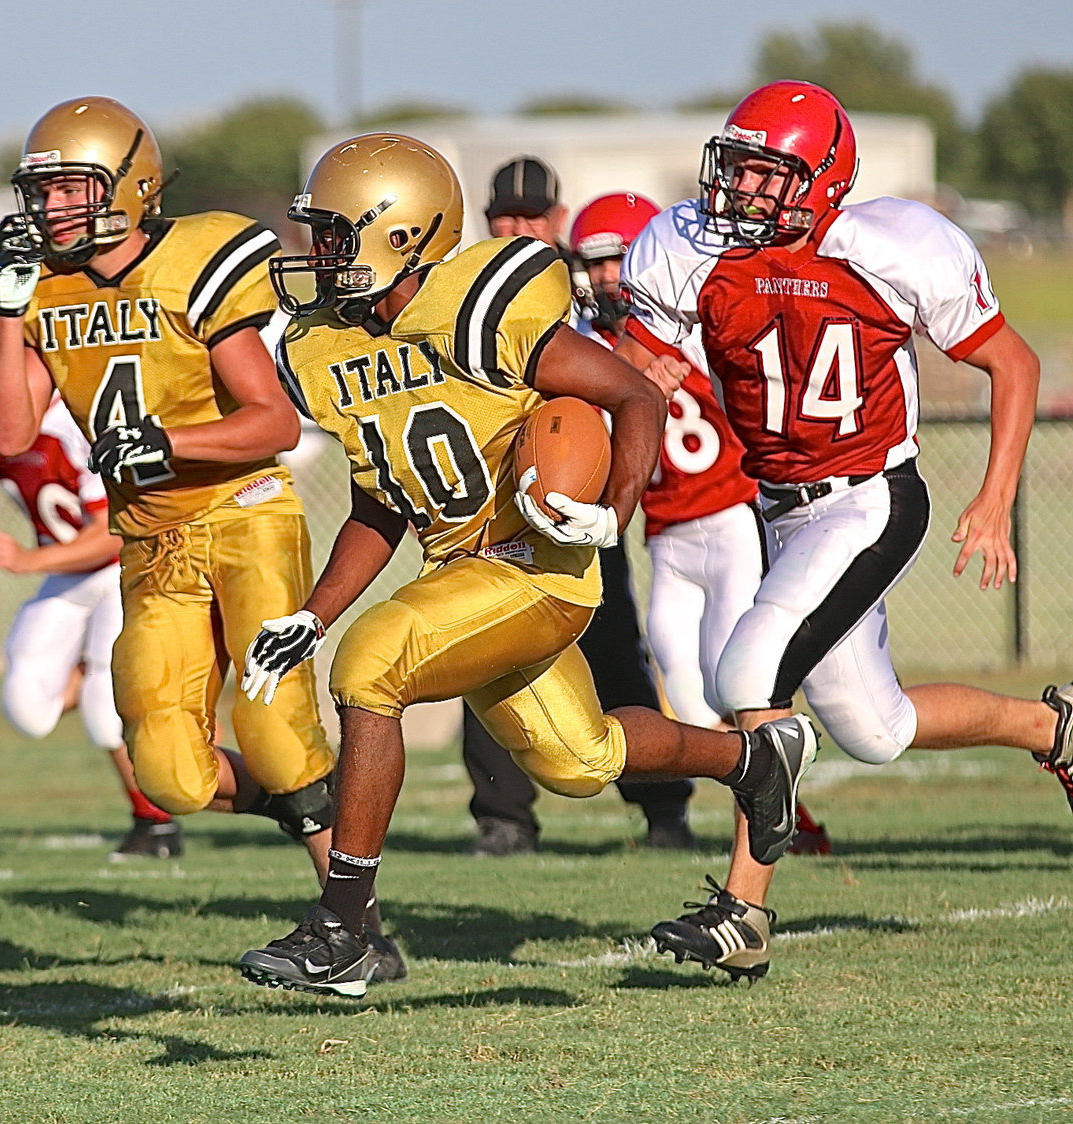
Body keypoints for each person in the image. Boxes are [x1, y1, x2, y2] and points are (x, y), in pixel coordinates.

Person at [235, 131, 818, 998]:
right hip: (460, 572)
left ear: (402, 235)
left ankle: (345, 927)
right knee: (578, 761)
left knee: (370, 666)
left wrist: (610, 514)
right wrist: (313, 611)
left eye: (334, 234)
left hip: (538, 566)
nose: (317, 255)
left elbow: (634, 392)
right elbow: (382, 498)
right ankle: (753, 761)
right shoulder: (327, 347)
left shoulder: (482, 306)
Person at [615, 79, 1073, 982]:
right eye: (735, 167)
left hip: (869, 501)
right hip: (782, 505)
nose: (740, 190)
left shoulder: (892, 245)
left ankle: (743, 911)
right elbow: (641, 362)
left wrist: (994, 496)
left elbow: (1011, 362)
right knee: (874, 727)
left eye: (764, 172)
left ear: (821, 179)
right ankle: (1052, 729)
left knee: (747, 674)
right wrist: (634, 381)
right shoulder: (691, 247)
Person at [0, 96, 404, 982]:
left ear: (127, 186)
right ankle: (317, 823)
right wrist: (12, 312)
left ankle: (353, 930)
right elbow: (14, 435)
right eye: (42, 191)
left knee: (278, 728)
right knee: (168, 770)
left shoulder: (194, 258)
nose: (50, 209)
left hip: (241, 512)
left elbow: (271, 423)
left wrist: (166, 442)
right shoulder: (41, 285)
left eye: (70, 189)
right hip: (148, 541)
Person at [572, 191, 831, 856]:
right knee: (688, 706)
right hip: (666, 539)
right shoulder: (588, 349)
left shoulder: (698, 326)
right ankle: (769, 800)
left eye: (614, 261)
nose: (604, 278)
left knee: (736, 681)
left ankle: (784, 823)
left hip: (728, 519)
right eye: (591, 264)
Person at [458, 157, 696, 857]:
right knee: (482, 654)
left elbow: (631, 361)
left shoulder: (583, 290)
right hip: (496, 505)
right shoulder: (466, 289)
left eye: (533, 216)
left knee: (615, 652)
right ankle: (504, 819)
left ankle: (665, 809)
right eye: (507, 215)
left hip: (582, 500)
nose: (519, 227)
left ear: (558, 222)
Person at [0, 297, 182, 860]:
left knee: (107, 713)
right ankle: (96, 668)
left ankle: (156, 822)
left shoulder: (80, 418)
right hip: (68, 569)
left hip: (121, 567)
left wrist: (28, 561)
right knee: (28, 708)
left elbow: (111, 533)